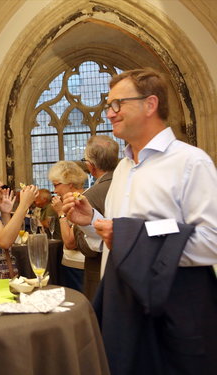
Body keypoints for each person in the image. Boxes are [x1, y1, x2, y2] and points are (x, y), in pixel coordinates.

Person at [63, 68, 217, 374]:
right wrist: (92, 221)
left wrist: (133, 237)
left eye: (117, 104)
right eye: (108, 106)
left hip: (175, 306)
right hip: (125, 308)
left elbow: (211, 239)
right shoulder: (123, 169)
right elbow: (117, 239)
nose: (110, 114)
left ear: (150, 104)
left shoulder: (190, 162)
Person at [73, 135, 119, 300]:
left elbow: (84, 247)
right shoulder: (129, 185)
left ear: (90, 166)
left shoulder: (89, 196)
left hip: (100, 272)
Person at [48, 161, 87, 292]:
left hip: (78, 267)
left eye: (56, 185)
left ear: (70, 183)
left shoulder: (81, 201)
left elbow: (70, 242)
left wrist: (60, 213)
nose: (54, 190)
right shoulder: (72, 200)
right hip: (72, 264)